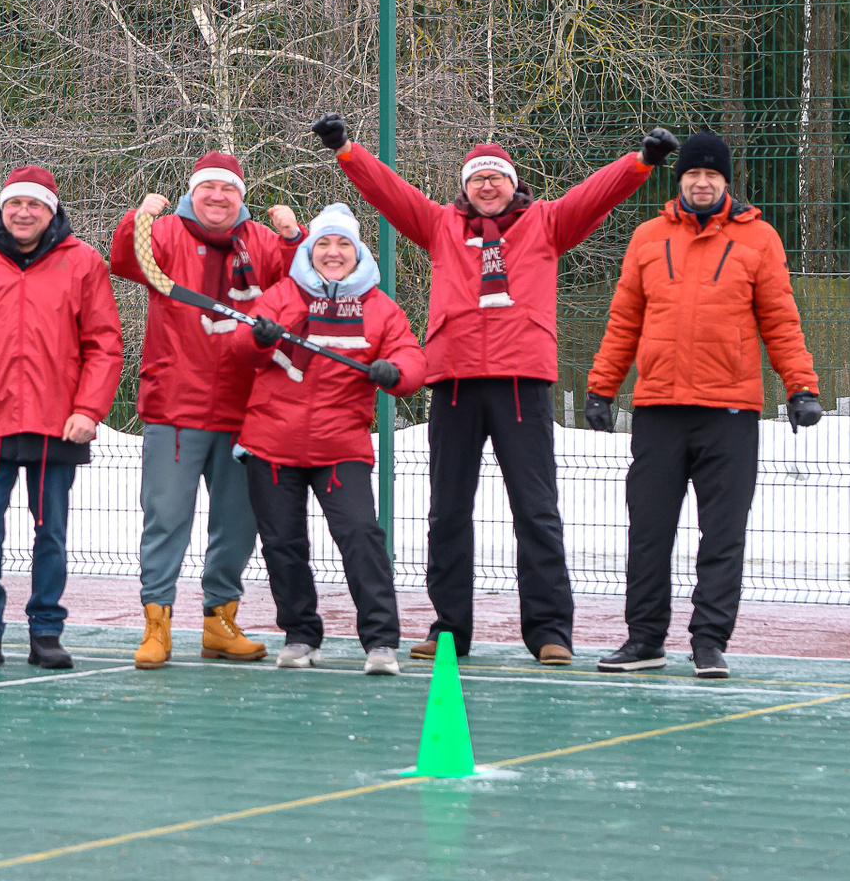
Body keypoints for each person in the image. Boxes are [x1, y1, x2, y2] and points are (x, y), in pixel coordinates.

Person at [311, 114, 678, 665]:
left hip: (521, 382)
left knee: (536, 509)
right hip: (454, 381)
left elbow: (594, 195)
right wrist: (347, 150)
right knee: (447, 512)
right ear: (465, 187)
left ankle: (550, 631)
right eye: (478, 178)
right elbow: (390, 192)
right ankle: (449, 629)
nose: (487, 186)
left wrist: (640, 163)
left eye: (497, 177)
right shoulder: (440, 225)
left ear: (513, 183)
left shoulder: (547, 223)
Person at [585, 131, 821, 680]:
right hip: (659, 409)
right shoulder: (648, 238)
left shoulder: (759, 239)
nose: (701, 182)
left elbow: (781, 320)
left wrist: (801, 388)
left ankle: (709, 642)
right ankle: (644, 640)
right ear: (680, 180)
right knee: (648, 534)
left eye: (712, 175)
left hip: (729, 413)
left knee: (722, 536)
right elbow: (624, 321)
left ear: (726, 182)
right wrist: (601, 388)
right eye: (693, 173)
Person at [110, 151, 303, 669]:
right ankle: (157, 623)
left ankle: (220, 620)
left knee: (238, 524)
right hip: (175, 407)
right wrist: (138, 216)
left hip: (245, 410)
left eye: (229, 189)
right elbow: (125, 260)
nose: (218, 197)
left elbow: (302, 286)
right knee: (166, 517)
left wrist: (293, 237)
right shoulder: (165, 232)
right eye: (208, 189)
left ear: (242, 197)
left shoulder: (262, 241)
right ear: (191, 193)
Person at [0, 166, 124, 671]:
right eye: (15, 203)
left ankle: (45, 632)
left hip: (56, 425)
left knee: (51, 533)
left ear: (51, 211)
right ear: (2, 207)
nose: (23, 212)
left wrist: (88, 410)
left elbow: (104, 345)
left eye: (34, 204)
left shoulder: (83, 262)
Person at [236, 204, 427, 675]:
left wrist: (396, 371)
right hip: (272, 445)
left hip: (341, 447)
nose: (333, 252)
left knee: (361, 536)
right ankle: (300, 635)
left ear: (358, 252)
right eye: (323, 243)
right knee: (282, 545)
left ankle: (380, 641)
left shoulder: (379, 307)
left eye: (343, 243)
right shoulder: (282, 295)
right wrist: (259, 337)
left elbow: (410, 357)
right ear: (309, 250)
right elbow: (239, 349)